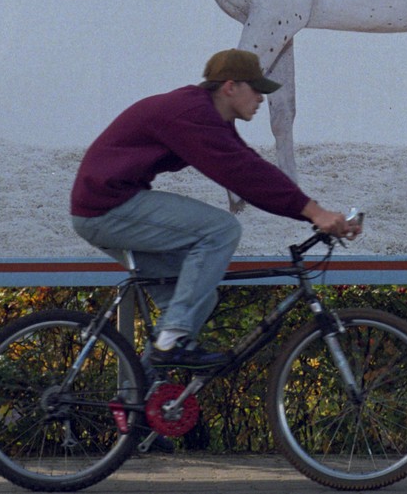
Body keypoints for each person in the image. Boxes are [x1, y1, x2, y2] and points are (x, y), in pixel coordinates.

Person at [70, 48, 359, 369]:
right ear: (230, 86)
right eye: (256, 89)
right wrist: (314, 212)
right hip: (107, 206)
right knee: (221, 229)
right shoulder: (192, 113)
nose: (261, 99)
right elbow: (245, 174)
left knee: (196, 298)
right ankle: (171, 341)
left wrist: (311, 211)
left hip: (105, 207)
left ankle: (145, 404)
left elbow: (251, 167)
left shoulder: (208, 116)